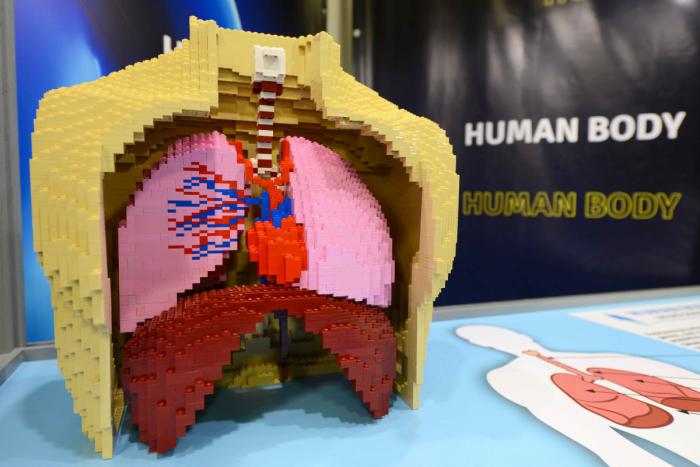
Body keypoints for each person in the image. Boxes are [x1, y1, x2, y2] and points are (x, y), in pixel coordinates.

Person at [456, 325, 700, 466]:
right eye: (491, 341)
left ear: (524, 337)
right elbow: (557, 417)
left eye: (512, 337)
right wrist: (624, 456)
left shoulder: (607, 357)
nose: (514, 343)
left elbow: (677, 375)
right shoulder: (506, 376)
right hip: (626, 417)